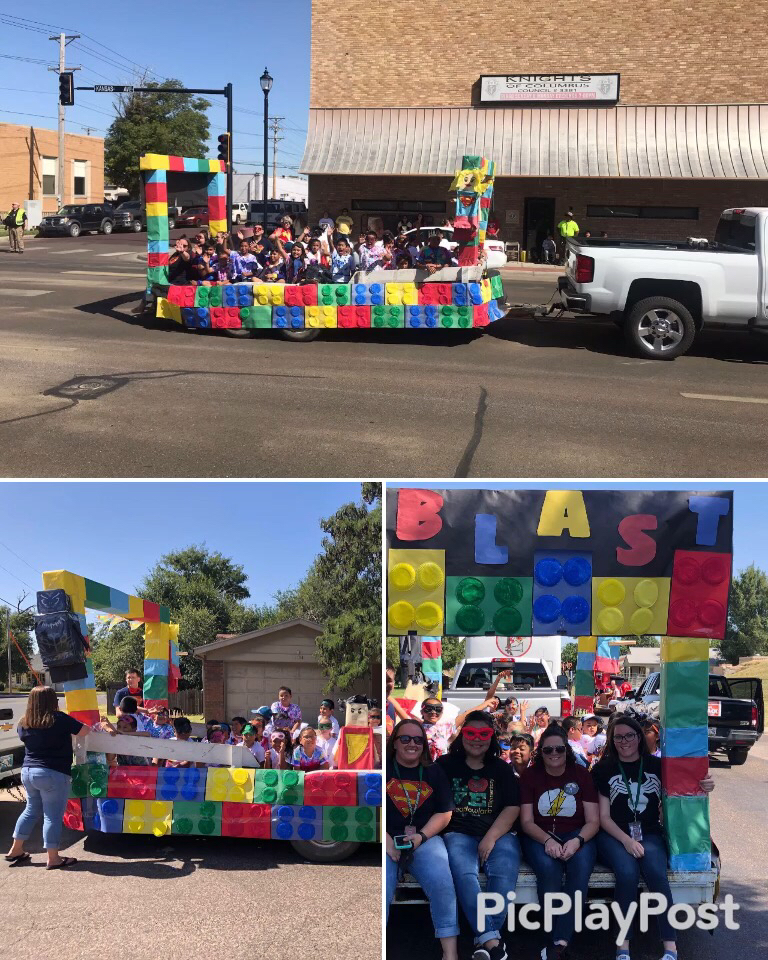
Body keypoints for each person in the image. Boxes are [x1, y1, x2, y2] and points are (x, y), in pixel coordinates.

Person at [593, 716, 715, 960]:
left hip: (648, 831)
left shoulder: (657, 766)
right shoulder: (603, 769)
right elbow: (603, 818)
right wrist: (627, 841)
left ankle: (670, 947)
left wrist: (706, 785)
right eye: (618, 736)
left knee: (657, 873)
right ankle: (623, 947)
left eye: (629, 735)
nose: (624, 741)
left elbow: (683, 791)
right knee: (626, 873)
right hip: (613, 834)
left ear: (639, 737)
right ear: (611, 740)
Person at [437, 711, 521, 960]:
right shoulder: (444, 765)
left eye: (483, 734)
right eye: (470, 733)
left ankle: (485, 939)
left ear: (491, 737)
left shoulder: (501, 769)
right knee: (464, 875)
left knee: (504, 872)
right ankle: (490, 940)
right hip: (458, 833)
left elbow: (512, 807)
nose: (476, 739)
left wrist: (491, 837)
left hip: (499, 832)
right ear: (461, 736)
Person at [519, 724, 599, 960]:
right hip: (539, 834)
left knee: (580, 869)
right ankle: (555, 938)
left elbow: (593, 821)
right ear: (540, 752)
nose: (554, 753)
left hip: (577, 832)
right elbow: (526, 821)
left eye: (559, 749)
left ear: (568, 750)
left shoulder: (582, 775)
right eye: (547, 750)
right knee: (548, 870)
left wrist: (577, 841)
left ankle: (559, 941)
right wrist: (547, 841)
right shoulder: (530, 776)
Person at [386, 719, 458, 960]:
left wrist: (421, 836)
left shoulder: (433, 771)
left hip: (424, 838)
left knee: (442, 884)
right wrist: (386, 842)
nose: (412, 744)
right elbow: (368, 810)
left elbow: (445, 812)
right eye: (405, 738)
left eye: (418, 740)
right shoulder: (382, 768)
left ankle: (450, 954)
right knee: (381, 889)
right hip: (385, 838)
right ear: (394, 742)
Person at [6, 686, 91, 868]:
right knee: (52, 816)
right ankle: (53, 858)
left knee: (30, 811)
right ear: (52, 701)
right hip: (53, 773)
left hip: (28, 772)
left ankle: (15, 849)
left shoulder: (24, 722)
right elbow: (85, 730)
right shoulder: (59, 719)